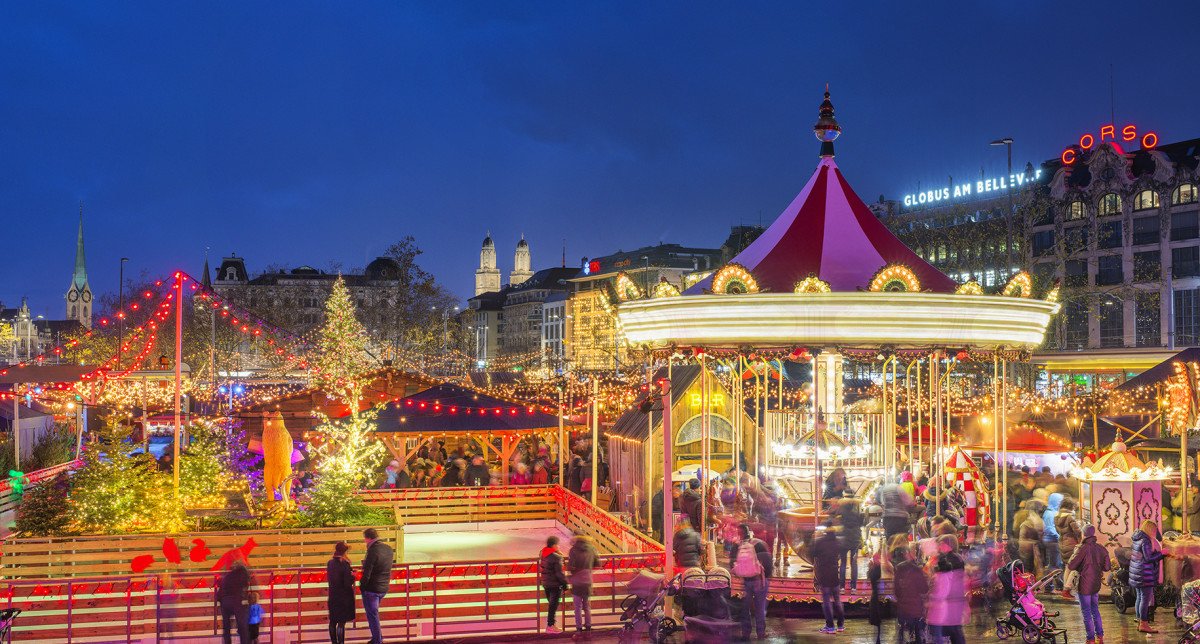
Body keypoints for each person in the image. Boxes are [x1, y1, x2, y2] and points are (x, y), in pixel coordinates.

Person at [1066, 525, 1110, 644]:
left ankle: (1090, 638)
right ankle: (1100, 637)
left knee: (1086, 612)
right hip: (1095, 584)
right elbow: (1107, 567)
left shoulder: (1082, 548)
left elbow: (1071, 565)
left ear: (1084, 534)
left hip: (1083, 584)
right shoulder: (1101, 548)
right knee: (1095, 610)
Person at [729, 523, 771, 641]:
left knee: (745, 608)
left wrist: (742, 574)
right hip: (760, 581)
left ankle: (746, 633)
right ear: (750, 531)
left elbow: (731, 564)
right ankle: (761, 632)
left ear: (739, 533)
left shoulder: (736, 546)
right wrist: (765, 575)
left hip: (745, 582)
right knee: (760, 607)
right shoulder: (759, 544)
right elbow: (768, 562)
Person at [927, 533, 968, 644]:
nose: (939, 547)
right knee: (954, 630)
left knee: (954, 630)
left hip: (951, 599)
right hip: (952, 599)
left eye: (941, 544)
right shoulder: (952, 558)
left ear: (948, 544)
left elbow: (947, 579)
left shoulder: (952, 559)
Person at [1130, 519, 1165, 634]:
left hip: (1138, 573)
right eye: (1154, 530)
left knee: (1140, 598)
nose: (1155, 532)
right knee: (1144, 599)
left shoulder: (1138, 537)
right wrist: (1162, 554)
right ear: (1150, 529)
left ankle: (1140, 622)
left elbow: (1146, 554)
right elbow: (1148, 558)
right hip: (1145, 574)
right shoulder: (1146, 540)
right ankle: (1144, 624)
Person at [360, 528, 394, 644]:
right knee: (373, 614)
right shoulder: (388, 549)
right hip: (384, 587)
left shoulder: (372, 551)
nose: (365, 541)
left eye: (365, 539)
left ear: (368, 538)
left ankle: (377, 640)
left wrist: (362, 587)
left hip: (372, 589)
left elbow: (367, 573)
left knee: (372, 616)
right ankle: (376, 638)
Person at [892, 546, 928, 644]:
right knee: (917, 629)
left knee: (903, 628)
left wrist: (900, 598)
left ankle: (904, 640)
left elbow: (896, 589)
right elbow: (924, 589)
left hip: (903, 606)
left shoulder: (899, 570)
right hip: (916, 605)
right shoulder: (917, 571)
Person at [812, 525, 844, 634]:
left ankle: (830, 627)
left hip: (824, 574)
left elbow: (812, 553)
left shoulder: (820, 542)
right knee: (837, 600)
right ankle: (840, 625)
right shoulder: (838, 542)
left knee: (826, 602)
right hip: (835, 574)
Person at [215, 554, 252, 644]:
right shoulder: (242, 572)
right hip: (235, 600)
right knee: (242, 625)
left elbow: (219, 593)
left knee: (226, 627)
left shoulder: (227, 575)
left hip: (224, 602)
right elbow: (245, 584)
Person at [567, 532, 599, 632]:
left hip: (577, 582)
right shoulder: (592, 548)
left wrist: (575, 573)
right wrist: (587, 570)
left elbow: (571, 567)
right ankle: (588, 626)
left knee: (577, 607)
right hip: (588, 580)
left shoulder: (573, 550)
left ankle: (579, 628)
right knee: (587, 606)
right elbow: (597, 563)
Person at [326, 541, 355, 644]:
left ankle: (334, 642)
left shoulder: (330, 563)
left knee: (333, 621)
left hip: (333, 596)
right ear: (344, 552)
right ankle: (341, 643)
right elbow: (347, 583)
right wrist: (353, 576)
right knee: (341, 622)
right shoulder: (345, 565)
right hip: (344, 597)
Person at [834, 490, 864, 590]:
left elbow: (837, 521)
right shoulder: (857, 508)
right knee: (853, 563)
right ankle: (853, 587)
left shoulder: (840, 509)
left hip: (844, 537)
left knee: (843, 562)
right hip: (855, 537)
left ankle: (842, 586)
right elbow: (861, 522)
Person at [539, 535, 568, 633]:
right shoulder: (556, 557)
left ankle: (551, 625)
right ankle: (550, 625)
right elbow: (559, 573)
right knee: (553, 606)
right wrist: (565, 585)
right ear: (555, 545)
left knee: (551, 605)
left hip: (546, 582)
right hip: (555, 584)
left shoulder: (543, 553)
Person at [1054, 497, 1082, 599]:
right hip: (1072, 544)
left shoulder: (1057, 517)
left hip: (1062, 543)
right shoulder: (1070, 517)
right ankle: (1066, 589)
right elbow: (1078, 531)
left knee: (1068, 567)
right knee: (1075, 567)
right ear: (1071, 506)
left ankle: (1065, 589)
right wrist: (1081, 525)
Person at [877, 475, 914, 540]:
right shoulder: (899, 488)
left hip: (887, 517)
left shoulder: (885, 489)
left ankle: (890, 549)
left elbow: (883, 502)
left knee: (889, 540)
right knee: (901, 539)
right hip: (899, 518)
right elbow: (908, 501)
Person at [1041, 493, 1064, 590]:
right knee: (1054, 564)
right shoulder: (1050, 513)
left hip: (1052, 540)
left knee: (1056, 564)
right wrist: (1060, 537)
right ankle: (1048, 586)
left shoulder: (1051, 512)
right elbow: (1050, 529)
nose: (1060, 503)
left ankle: (1054, 585)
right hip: (1052, 541)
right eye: (1059, 501)